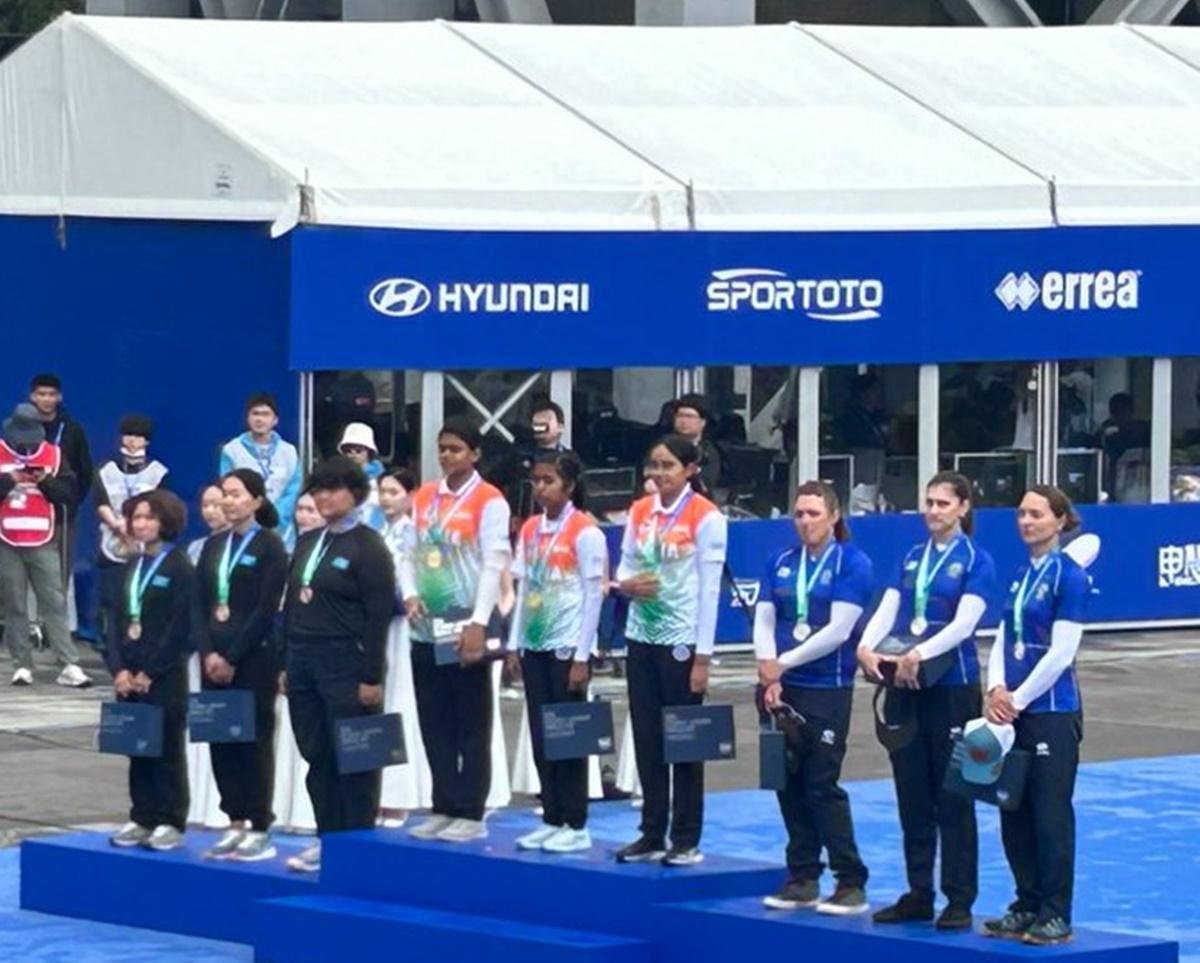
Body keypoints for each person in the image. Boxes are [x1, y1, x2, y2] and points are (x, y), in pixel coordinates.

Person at [857, 472, 996, 930]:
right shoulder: (913, 556)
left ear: (963, 508)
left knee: (953, 794)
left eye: (943, 503)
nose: (933, 511)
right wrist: (866, 644)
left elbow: (964, 624)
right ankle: (919, 892)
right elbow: (890, 606)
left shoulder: (977, 560)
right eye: (929, 503)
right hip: (907, 684)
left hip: (952, 687)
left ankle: (959, 898)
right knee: (911, 792)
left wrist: (920, 652)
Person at [756, 481, 872, 915]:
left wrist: (782, 663)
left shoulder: (852, 563)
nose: (805, 522)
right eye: (799, 514)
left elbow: (840, 630)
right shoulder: (781, 561)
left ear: (834, 516)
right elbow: (764, 619)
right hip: (778, 686)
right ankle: (803, 875)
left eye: (814, 514)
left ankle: (850, 879)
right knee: (786, 782)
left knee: (821, 784)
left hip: (827, 685)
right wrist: (769, 669)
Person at [983, 486, 1090, 946]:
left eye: (1037, 514)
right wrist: (994, 689)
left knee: (1049, 815)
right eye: (1022, 514)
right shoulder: (1020, 576)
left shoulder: (1071, 577)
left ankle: (1054, 912)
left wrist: (1018, 698)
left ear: (1061, 520)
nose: (1026, 521)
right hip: (1014, 713)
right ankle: (1026, 902)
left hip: (1050, 712)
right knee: (1014, 811)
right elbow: (1004, 638)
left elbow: (1062, 652)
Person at [614, 434, 727, 867]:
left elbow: (710, 589)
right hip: (642, 637)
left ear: (690, 469)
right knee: (647, 738)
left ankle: (686, 837)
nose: (658, 474)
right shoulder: (641, 511)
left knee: (685, 740)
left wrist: (702, 656)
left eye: (667, 466)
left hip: (681, 640)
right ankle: (651, 831)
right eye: (654, 465)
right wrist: (625, 584)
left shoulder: (706, 517)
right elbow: (625, 562)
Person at [401, 418, 512, 844]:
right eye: (442, 448)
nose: (447, 455)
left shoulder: (490, 500)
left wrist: (479, 622)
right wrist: (409, 594)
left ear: (475, 454)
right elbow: (408, 553)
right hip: (426, 626)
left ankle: (471, 809)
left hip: (464, 623)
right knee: (435, 720)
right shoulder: (426, 495)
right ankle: (443, 803)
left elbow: (492, 563)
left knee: (471, 719)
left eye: (456, 449)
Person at [282, 457, 394, 873]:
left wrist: (371, 676)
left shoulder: (368, 546)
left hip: (346, 661)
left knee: (355, 756)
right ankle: (328, 837)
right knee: (317, 753)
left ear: (356, 493)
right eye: (318, 490)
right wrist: (286, 662)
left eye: (334, 489)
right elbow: (293, 604)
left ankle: (358, 844)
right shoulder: (310, 541)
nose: (325, 497)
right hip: (304, 659)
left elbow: (378, 614)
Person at [508, 451, 606, 854]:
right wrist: (514, 643)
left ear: (568, 486)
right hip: (534, 642)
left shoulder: (586, 532)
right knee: (541, 733)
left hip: (568, 645)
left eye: (549, 480)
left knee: (569, 735)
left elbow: (593, 596)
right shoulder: (530, 529)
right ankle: (551, 816)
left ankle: (576, 820)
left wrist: (583, 655)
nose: (540, 488)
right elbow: (523, 589)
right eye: (536, 480)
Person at [192, 469, 288, 862]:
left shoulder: (270, 547)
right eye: (224, 495)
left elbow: (266, 609)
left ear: (257, 501)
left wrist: (232, 656)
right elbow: (198, 605)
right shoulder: (214, 547)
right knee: (221, 741)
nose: (228, 502)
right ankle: (233, 819)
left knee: (253, 742)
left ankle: (260, 825)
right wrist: (209, 652)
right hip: (212, 658)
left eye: (235, 495)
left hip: (253, 658)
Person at [106, 491, 193, 852]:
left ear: (166, 521)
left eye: (148, 517)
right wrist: (119, 668)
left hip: (163, 674)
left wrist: (152, 670)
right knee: (136, 746)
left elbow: (180, 626)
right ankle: (142, 815)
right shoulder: (131, 566)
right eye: (136, 518)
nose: (140, 524)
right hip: (129, 673)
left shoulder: (179, 567)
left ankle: (170, 819)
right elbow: (115, 621)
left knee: (167, 747)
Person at [0, 403, 90, 688]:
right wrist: (9, 480)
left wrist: (45, 481)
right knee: (14, 604)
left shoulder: (54, 454)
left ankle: (67, 663)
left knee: (54, 601)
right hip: (6, 540)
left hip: (43, 539)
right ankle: (22, 664)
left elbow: (69, 494)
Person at [377, 467, 432, 826]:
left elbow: (420, 579)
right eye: (382, 491)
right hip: (379, 626)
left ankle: (401, 795)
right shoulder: (376, 532)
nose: (385, 499)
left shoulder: (416, 534)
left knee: (401, 703)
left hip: (405, 626)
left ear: (411, 496)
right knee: (381, 706)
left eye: (394, 492)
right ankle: (380, 793)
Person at [95, 415, 168, 654]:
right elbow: (100, 502)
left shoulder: (159, 472)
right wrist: (119, 526)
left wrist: (137, 530)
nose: (133, 440)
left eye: (138, 436)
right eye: (129, 435)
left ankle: (140, 642)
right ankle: (110, 646)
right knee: (113, 600)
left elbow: (162, 507)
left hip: (144, 547)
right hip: (111, 545)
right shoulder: (106, 469)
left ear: (147, 441)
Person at [271, 493, 321, 834]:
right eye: (300, 509)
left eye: (311, 511)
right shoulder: (294, 551)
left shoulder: (352, 547)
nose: (304, 517)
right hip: (296, 657)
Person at [28, 373, 93, 627]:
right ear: (32, 396)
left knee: (59, 571)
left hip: (61, 513)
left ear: (60, 397)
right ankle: (30, 625)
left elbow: (85, 472)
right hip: (27, 514)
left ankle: (57, 628)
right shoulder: (18, 428)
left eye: (51, 394)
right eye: (41, 394)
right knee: (26, 567)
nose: (46, 399)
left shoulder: (72, 430)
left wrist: (71, 501)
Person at [185, 483, 230, 829]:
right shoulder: (196, 549)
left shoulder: (253, 545)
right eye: (207, 504)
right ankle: (197, 801)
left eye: (219, 503)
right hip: (199, 648)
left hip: (231, 648)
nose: (213, 510)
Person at [219, 393, 301, 550]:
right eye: (255, 414)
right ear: (247, 418)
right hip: (244, 526)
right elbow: (227, 487)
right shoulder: (231, 450)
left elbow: (294, 489)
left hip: (283, 531)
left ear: (275, 420)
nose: (259, 419)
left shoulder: (289, 451)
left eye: (265, 414)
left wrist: (275, 516)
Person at [670, 395, 723, 499]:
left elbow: (705, 485)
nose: (683, 421)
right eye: (680, 416)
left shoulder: (708, 452)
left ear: (703, 422)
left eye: (689, 416)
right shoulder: (664, 448)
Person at [338, 422, 386, 532]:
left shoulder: (381, 479)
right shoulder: (339, 479)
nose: (353, 454)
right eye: (348, 451)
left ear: (369, 452)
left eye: (358, 450)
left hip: (375, 534)